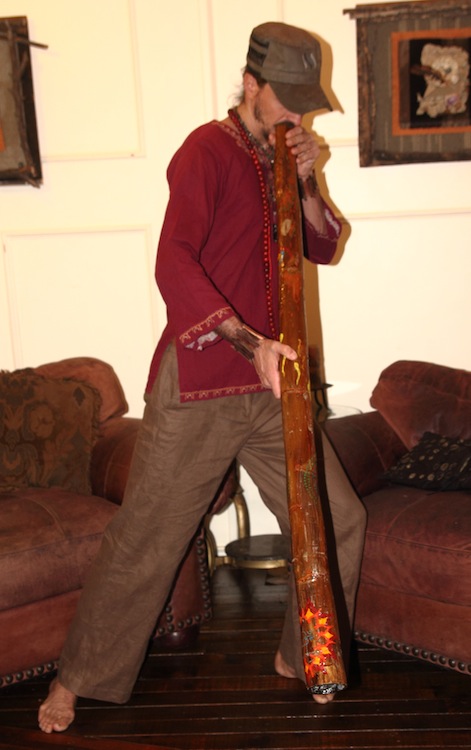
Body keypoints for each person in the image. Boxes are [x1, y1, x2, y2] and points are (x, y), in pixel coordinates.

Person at [38, 21, 366, 733]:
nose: (297, 115)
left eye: (306, 103)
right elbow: (173, 262)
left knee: (338, 519)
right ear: (250, 84)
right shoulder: (204, 151)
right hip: (202, 381)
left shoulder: (287, 155)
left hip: (275, 386)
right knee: (148, 537)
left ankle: (301, 654)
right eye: (286, 99)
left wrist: (311, 180)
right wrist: (248, 341)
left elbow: (322, 244)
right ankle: (77, 678)